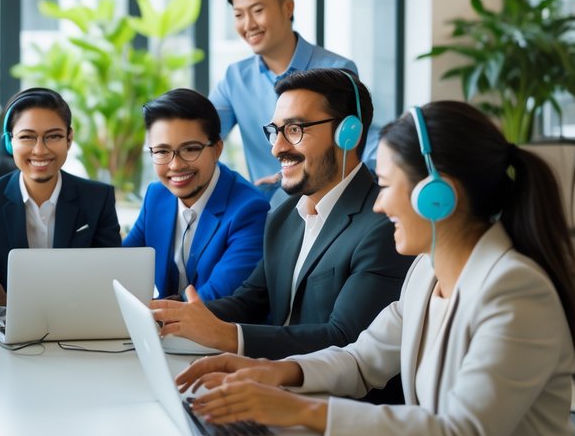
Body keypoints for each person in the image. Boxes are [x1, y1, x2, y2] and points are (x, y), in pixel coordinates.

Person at [176, 101, 575, 436]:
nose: (378, 205)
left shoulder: (515, 291)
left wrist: (301, 410)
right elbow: (361, 359)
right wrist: (278, 372)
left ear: (439, 195)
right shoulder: (427, 271)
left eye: (387, 186)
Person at [150, 68, 411, 360]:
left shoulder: (383, 224)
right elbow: (251, 300)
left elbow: (344, 338)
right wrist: (173, 316)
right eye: (276, 131)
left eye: (295, 130)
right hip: (269, 381)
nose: (277, 148)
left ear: (348, 134)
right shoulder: (285, 215)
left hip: (330, 399)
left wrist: (227, 336)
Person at [210, 0, 377, 202]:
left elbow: (354, 148)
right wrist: (239, 190)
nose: (248, 25)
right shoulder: (234, 78)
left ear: (288, 8)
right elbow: (203, 140)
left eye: (257, 11)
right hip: (265, 217)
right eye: (238, 15)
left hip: (326, 209)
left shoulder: (338, 71)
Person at [0, 88, 122, 307]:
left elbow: (115, 276)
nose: (40, 150)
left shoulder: (97, 198)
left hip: (80, 321)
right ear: (10, 142)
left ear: (69, 139)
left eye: (53, 136)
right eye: (27, 137)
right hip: (10, 326)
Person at [123, 88, 270, 300]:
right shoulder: (157, 195)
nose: (175, 165)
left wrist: (149, 311)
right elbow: (122, 265)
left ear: (217, 149)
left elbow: (215, 297)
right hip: (160, 328)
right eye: (162, 151)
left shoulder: (250, 209)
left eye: (190, 149)